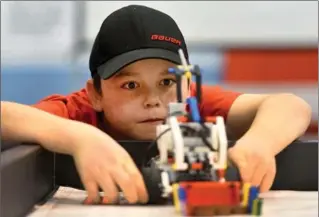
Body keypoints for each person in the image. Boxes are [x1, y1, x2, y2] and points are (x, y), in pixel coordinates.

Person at [1, 5, 311, 205]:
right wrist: (81, 139)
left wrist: (259, 144)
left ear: (188, 84)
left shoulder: (194, 103)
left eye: (167, 82)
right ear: (96, 93)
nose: (153, 100)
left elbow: (290, 106)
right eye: (130, 85)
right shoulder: (79, 112)